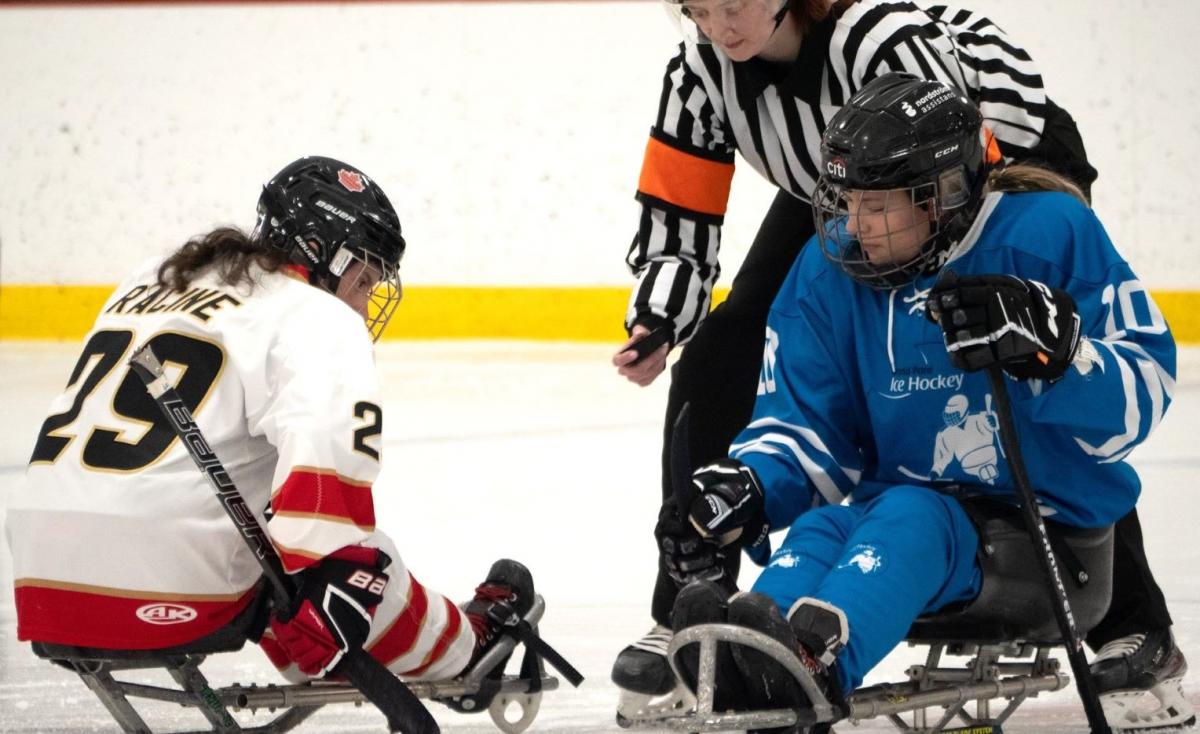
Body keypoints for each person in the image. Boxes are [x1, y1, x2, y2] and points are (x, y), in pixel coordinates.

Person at [609, 0, 1184, 721]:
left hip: (1039, 538)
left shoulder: (1040, 232)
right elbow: (811, 419)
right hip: (910, 499)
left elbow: (1145, 381)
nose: (853, 225)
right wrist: (748, 484)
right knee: (825, 524)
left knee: (910, 511)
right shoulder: (832, 262)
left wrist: (1053, 345)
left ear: (939, 194)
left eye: (877, 205)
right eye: (700, 10)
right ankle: (746, 652)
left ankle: (816, 661)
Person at [7, 156, 533, 686]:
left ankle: (315, 647)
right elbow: (325, 479)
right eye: (365, 277)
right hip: (166, 595)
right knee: (357, 556)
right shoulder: (316, 315)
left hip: (40, 587)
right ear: (322, 253)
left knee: (249, 513)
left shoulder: (149, 280)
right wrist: (341, 577)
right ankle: (465, 650)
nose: (367, 299)